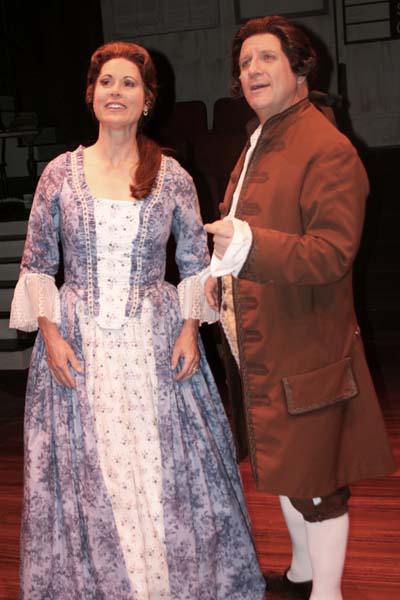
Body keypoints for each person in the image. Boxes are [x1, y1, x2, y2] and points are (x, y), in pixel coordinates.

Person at [10, 41, 266, 600]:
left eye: (128, 83)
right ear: (91, 95)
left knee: (161, 465)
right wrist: (50, 335)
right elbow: (37, 264)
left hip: (155, 344)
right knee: (87, 468)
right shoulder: (59, 174)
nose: (116, 92)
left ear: (147, 99)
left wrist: (189, 330)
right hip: (77, 344)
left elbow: (196, 265)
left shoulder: (171, 176)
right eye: (107, 82)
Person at [204, 15, 396, 600]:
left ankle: (327, 593)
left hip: (305, 344)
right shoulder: (261, 138)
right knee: (284, 467)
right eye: (244, 62)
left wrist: (246, 247)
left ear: (299, 67)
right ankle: (302, 574)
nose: (252, 70)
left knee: (318, 484)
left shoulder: (326, 147)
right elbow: (239, 231)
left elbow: (331, 253)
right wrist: (218, 275)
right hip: (265, 341)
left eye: (266, 57)